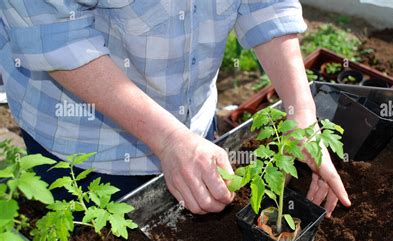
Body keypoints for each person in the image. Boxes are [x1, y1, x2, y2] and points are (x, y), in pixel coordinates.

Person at [0, 0, 350, 217]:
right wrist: (168, 141)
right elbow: (58, 34)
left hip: (192, 128)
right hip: (84, 144)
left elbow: (266, 5)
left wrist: (299, 114)